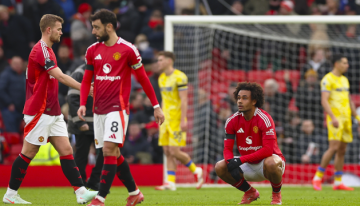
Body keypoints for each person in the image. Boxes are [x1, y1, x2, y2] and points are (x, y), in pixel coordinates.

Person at [2, 14, 97, 204]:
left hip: (52, 112)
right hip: (40, 111)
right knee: (28, 153)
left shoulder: (49, 51)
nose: (62, 32)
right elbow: (60, 77)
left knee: (66, 149)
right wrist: (85, 89)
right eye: (59, 29)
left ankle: (80, 192)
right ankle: (10, 194)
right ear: (48, 30)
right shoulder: (41, 50)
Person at [77, 9, 164, 206]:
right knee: (113, 154)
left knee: (108, 150)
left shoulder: (128, 49)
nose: (93, 31)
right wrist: (83, 104)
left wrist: (156, 106)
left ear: (109, 26)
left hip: (118, 109)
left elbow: (143, 79)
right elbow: (86, 80)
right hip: (98, 109)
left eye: (96, 27)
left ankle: (100, 198)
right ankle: (134, 193)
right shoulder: (92, 50)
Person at [214, 82, 285, 205]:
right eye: (239, 98)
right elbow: (227, 149)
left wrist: (240, 160)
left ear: (254, 101)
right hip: (248, 164)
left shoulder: (264, 119)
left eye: (245, 98)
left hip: (267, 163)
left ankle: (276, 194)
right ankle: (250, 192)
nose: (240, 101)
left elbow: (268, 151)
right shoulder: (231, 121)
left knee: (271, 163)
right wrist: (230, 161)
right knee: (220, 167)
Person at [155, 51, 203, 191]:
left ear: (169, 61)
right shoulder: (161, 78)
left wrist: (183, 120)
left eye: (161, 60)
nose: (158, 63)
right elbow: (164, 99)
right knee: (167, 151)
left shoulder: (180, 77)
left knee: (174, 151)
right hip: (165, 119)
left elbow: (184, 100)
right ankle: (171, 182)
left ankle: (196, 171)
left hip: (176, 119)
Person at [312, 54, 360, 191]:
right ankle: (317, 178)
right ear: (336, 64)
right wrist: (332, 117)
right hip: (335, 119)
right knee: (333, 147)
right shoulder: (328, 79)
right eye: (344, 63)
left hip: (346, 119)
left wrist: (357, 117)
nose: (347, 65)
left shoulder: (345, 80)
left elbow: (349, 99)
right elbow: (324, 100)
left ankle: (338, 182)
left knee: (342, 150)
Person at [67, 64, 103, 191]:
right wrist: (80, 123)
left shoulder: (103, 71)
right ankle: (80, 184)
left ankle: (94, 180)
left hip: (98, 121)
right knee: (82, 154)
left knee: (105, 152)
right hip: (83, 121)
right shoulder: (80, 73)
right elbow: (72, 99)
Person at [0, 56, 26, 133]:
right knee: (11, 133)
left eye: (19, 64)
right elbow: (1, 90)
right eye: (15, 63)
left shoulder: (22, 76)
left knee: (20, 133)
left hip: (20, 110)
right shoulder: (6, 74)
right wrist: (9, 103)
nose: (17, 65)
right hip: (9, 110)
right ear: (10, 63)